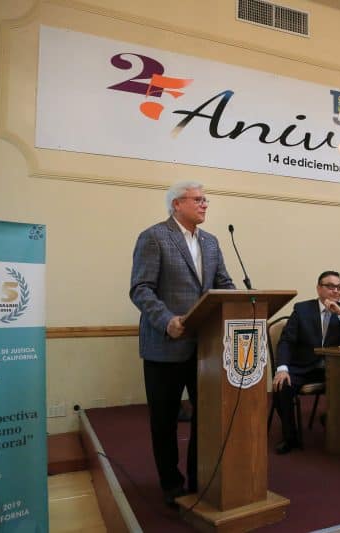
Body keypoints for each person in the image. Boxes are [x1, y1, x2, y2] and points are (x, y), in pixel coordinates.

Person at [130, 181, 235, 507]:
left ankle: (197, 477)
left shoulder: (211, 242)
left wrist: (244, 303)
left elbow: (223, 284)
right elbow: (141, 288)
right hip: (165, 345)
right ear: (177, 204)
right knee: (164, 421)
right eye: (198, 199)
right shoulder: (154, 237)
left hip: (205, 348)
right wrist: (167, 320)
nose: (205, 204)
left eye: (205, 199)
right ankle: (170, 484)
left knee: (206, 417)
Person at [272, 271, 340, 454]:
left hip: (334, 369)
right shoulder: (302, 309)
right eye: (330, 286)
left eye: (339, 287)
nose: (336, 291)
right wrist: (282, 368)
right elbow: (287, 341)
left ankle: (337, 423)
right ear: (319, 288)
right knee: (282, 386)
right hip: (304, 367)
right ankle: (290, 437)